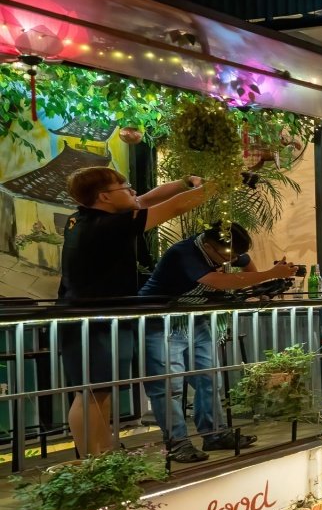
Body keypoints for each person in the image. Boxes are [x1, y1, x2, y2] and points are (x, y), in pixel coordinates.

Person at [58, 166, 212, 457]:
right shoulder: (109, 226)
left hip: (98, 317)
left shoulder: (86, 217)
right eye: (125, 187)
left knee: (99, 394)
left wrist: (185, 181)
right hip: (93, 320)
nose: (132, 191)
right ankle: (96, 463)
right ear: (104, 196)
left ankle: (105, 457)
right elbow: (175, 206)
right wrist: (223, 184)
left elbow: (146, 200)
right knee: (91, 396)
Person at [142, 222, 293, 462]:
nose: (229, 260)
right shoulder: (184, 252)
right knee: (169, 387)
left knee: (209, 378)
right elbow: (216, 281)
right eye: (226, 256)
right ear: (209, 245)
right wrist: (269, 274)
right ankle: (177, 444)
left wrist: (260, 287)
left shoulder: (224, 248)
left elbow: (244, 263)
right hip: (160, 321)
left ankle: (214, 434)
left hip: (196, 319)